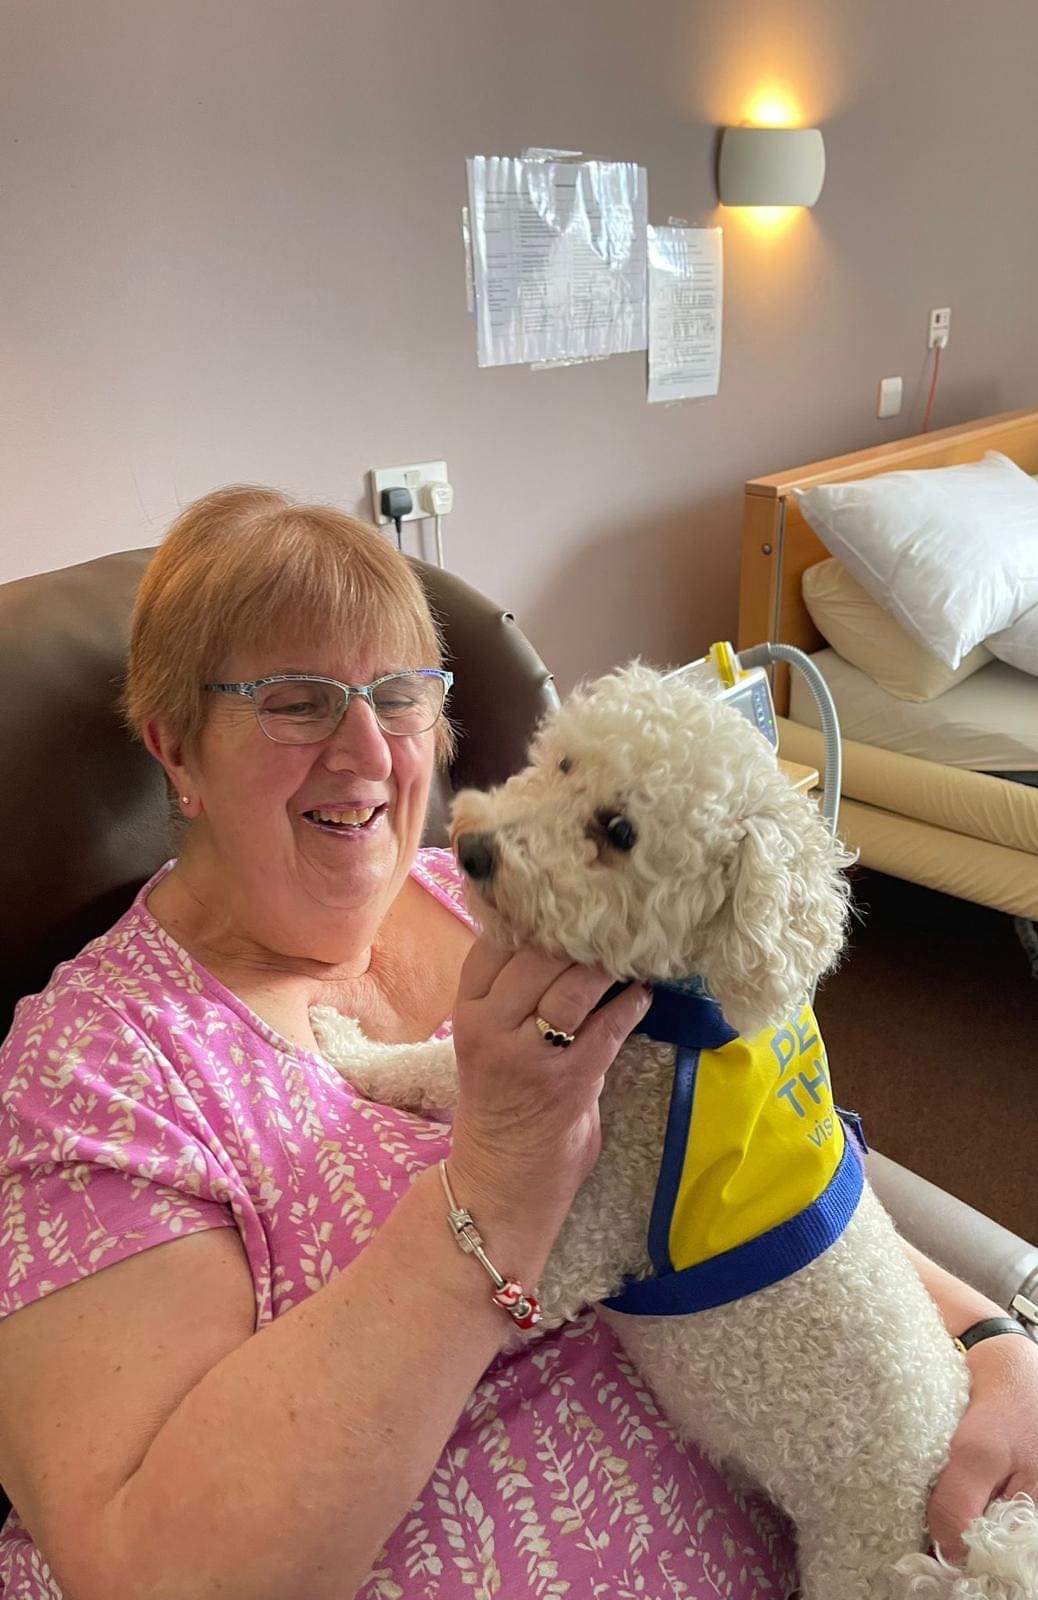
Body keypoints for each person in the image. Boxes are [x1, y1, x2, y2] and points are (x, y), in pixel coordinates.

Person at [0, 487, 1033, 1600]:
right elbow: (152, 1569)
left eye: (399, 696)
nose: (367, 750)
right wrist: (496, 1183)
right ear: (176, 750)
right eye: (296, 703)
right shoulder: (98, 1064)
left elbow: (757, 1162)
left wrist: (987, 1337)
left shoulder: (542, 895)